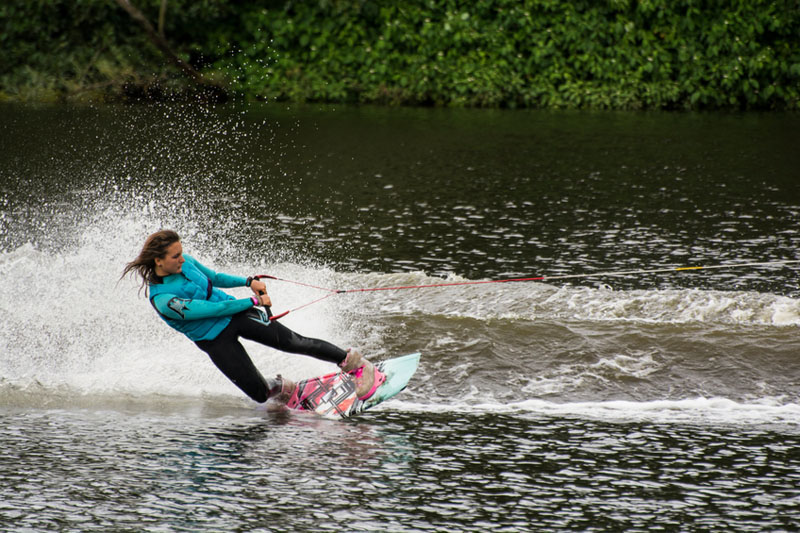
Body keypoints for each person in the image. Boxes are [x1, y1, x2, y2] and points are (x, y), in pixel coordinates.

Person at [121, 229, 385, 404]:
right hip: (215, 341)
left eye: (181, 252)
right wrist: (254, 300)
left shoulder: (186, 262)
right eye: (175, 256)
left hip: (239, 315)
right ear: (158, 261)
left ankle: (358, 365)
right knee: (259, 395)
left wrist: (249, 281)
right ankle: (284, 388)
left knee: (294, 342)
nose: (182, 259)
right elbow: (212, 310)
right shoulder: (164, 300)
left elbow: (214, 278)